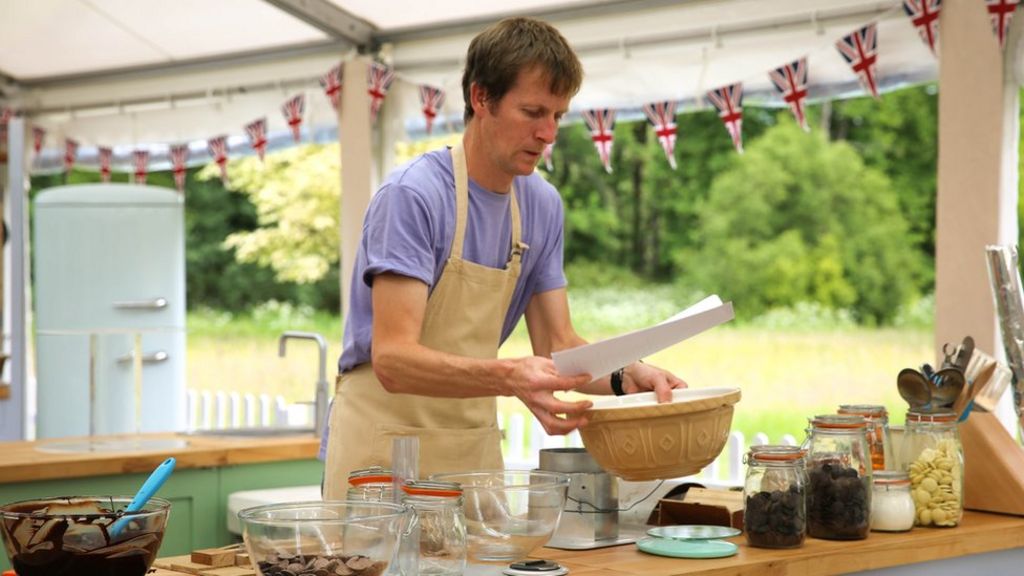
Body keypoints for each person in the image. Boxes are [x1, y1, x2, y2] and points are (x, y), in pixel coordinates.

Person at [322, 16, 685, 499]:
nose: (548, 133)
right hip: (380, 461)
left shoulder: (541, 205)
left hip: (469, 456)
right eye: (532, 112)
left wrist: (623, 372)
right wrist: (509, 375)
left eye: (558, 115)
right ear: (481, 98)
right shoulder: (413, 196)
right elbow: (393, 360)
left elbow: (557, 344)